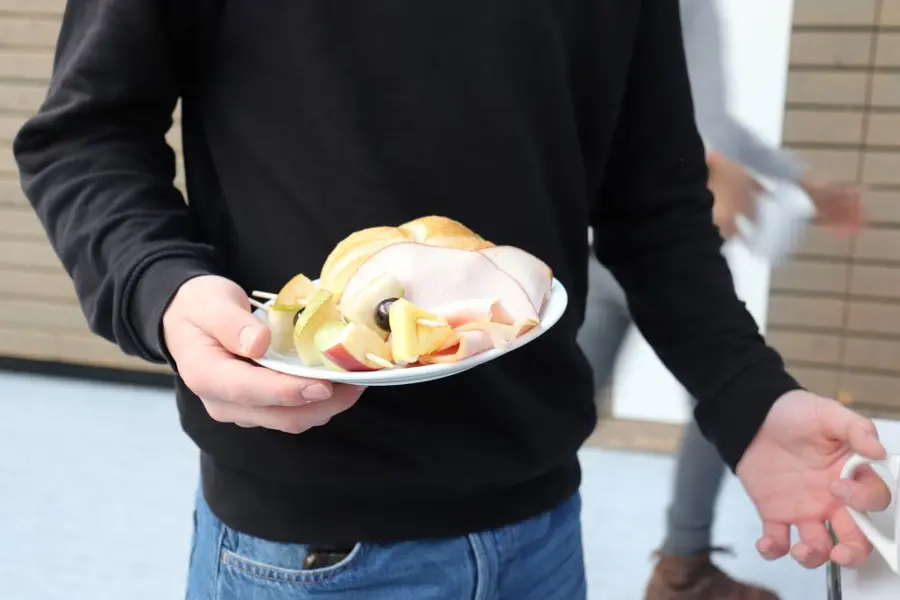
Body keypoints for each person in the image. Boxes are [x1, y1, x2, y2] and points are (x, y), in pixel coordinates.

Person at [13, 1, 887, 599]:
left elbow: (651, 195)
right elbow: (85, 135)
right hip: (306, 540)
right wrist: (162, 286)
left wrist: (745, 394)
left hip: (543, 521)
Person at [579, 1, 863, 599]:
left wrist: (799, 180)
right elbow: (704, 127)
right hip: (657, 242)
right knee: (722, 398)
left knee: (566, 398)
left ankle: (678, 564)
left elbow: (700, 122)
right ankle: (683, 567)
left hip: (605, 236)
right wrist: (721, 172)